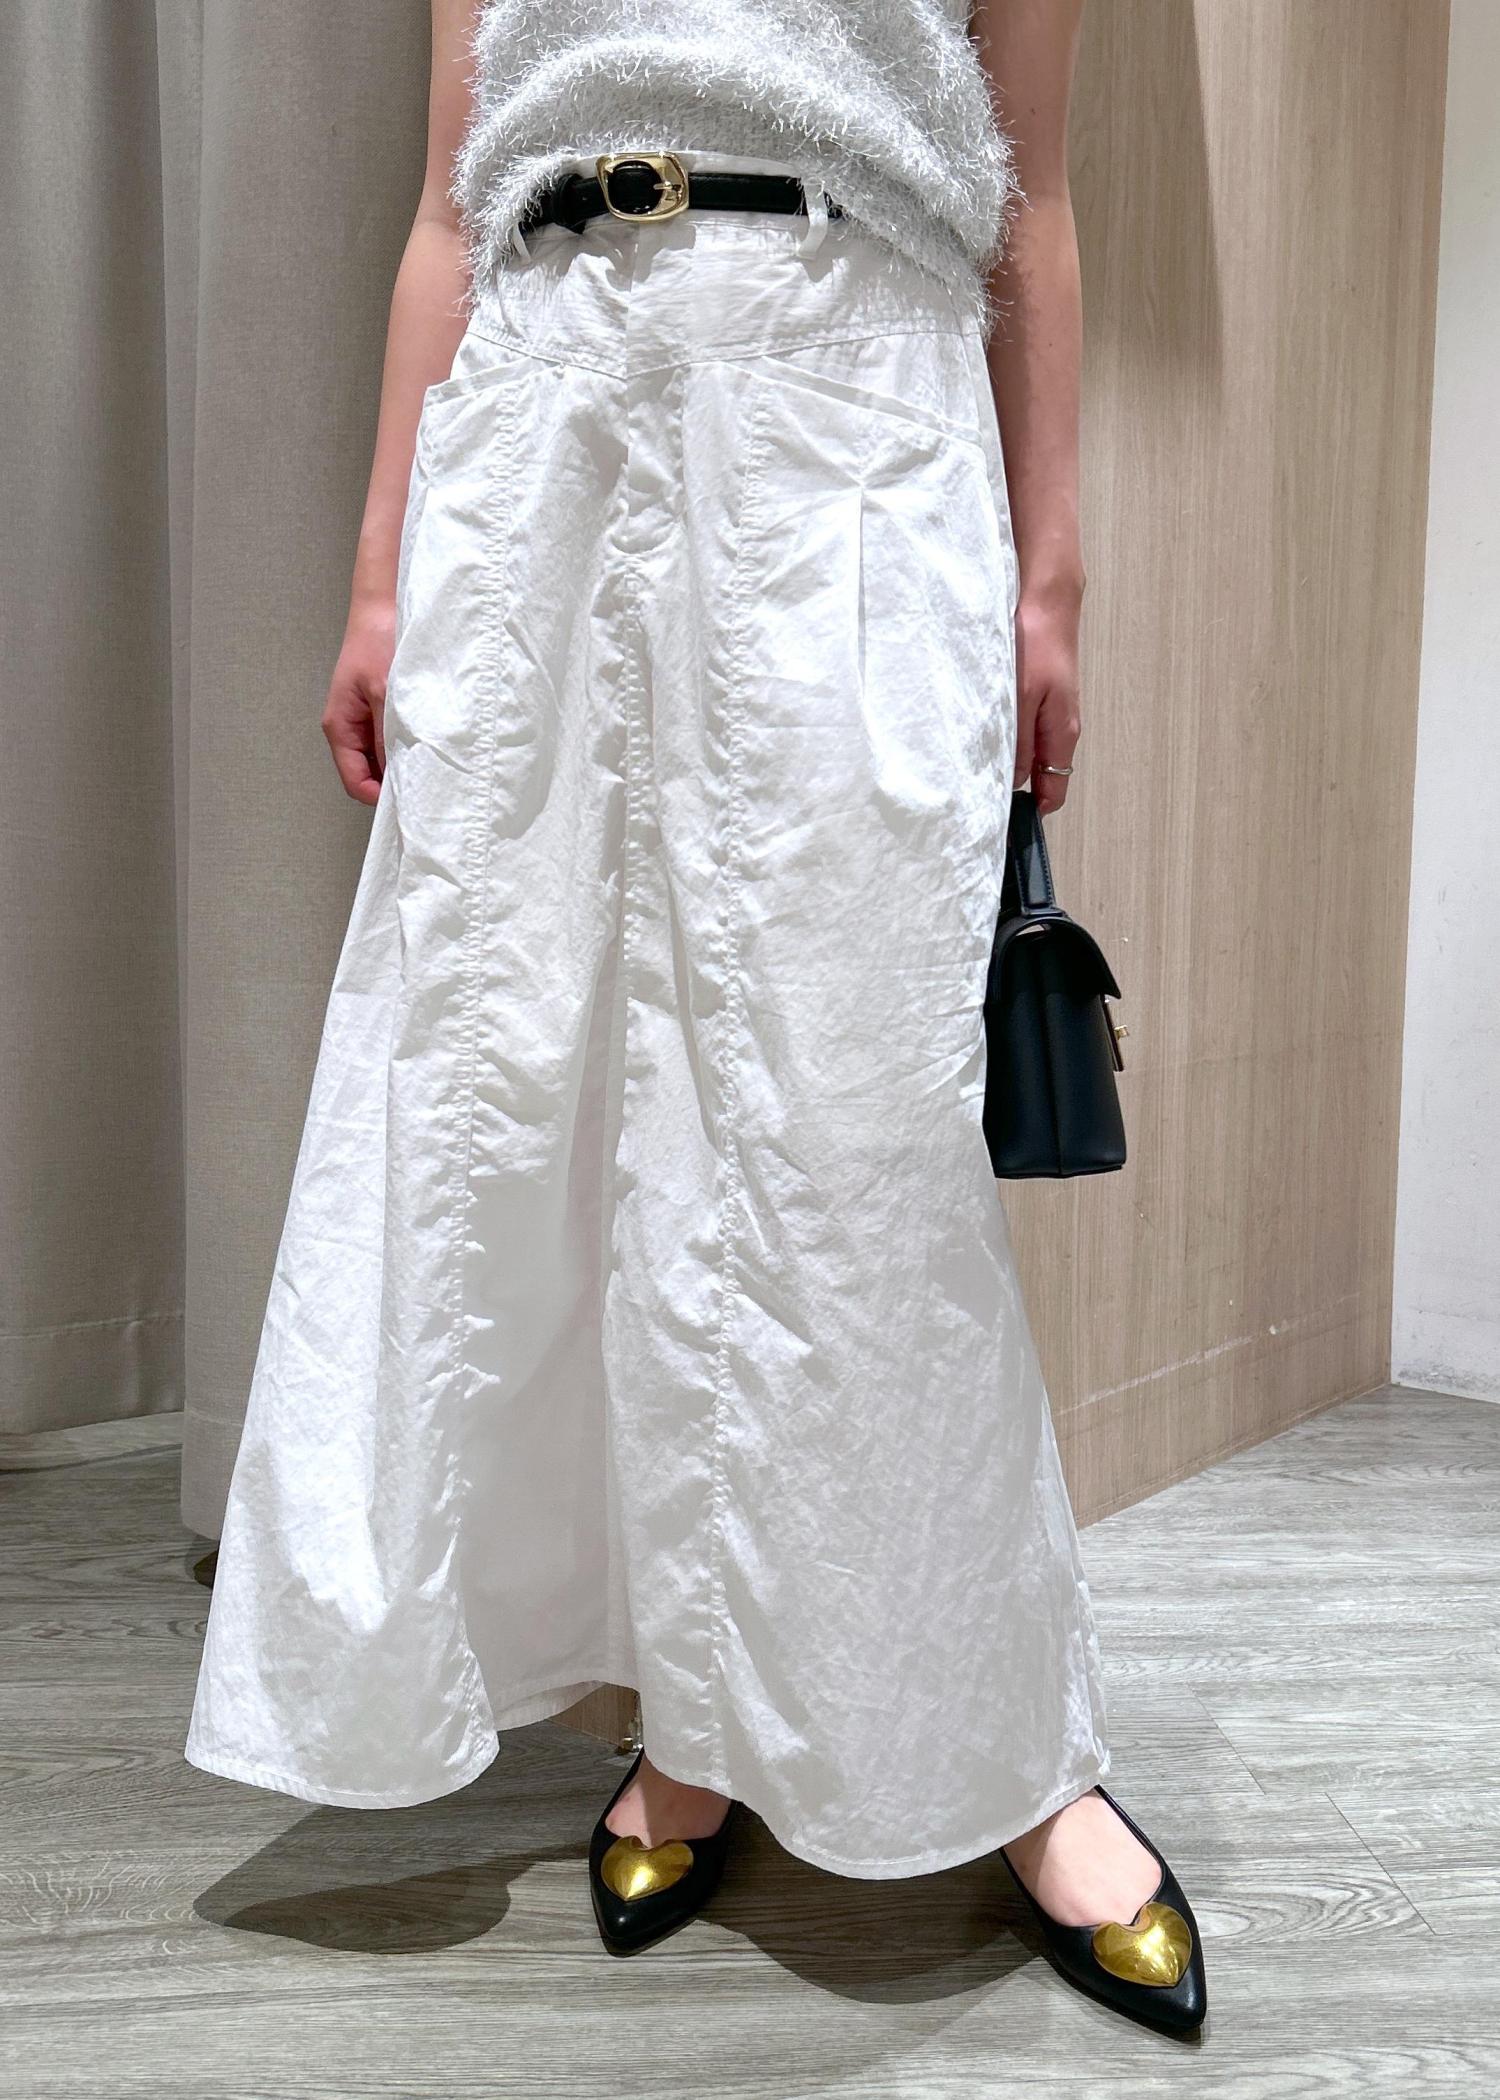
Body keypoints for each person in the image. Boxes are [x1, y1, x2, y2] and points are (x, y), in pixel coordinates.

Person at [186, 0, 1207, 2035]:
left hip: (848, 406)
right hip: (544, 411)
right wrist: (382, 569)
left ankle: (1018, 1756)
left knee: (857, 1131)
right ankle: (702, 1709)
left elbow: (1033, 198)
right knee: (542, 1094)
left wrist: (1053, 576)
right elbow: (448, 205)